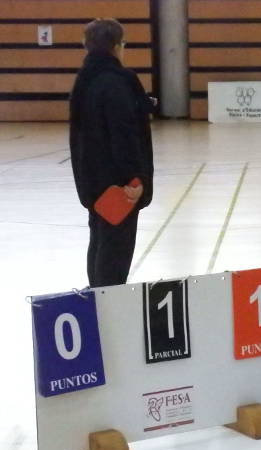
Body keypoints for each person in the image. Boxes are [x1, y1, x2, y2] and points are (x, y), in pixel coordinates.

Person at [70, 18, 155, 288]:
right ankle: (108, 304)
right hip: (118, 183)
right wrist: (136, 178)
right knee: (115, 250)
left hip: (92, 179)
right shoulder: (117, 81)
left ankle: (96, 295)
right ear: (118, 46)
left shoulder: (84, 80)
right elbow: (124, 132)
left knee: (99, 240)